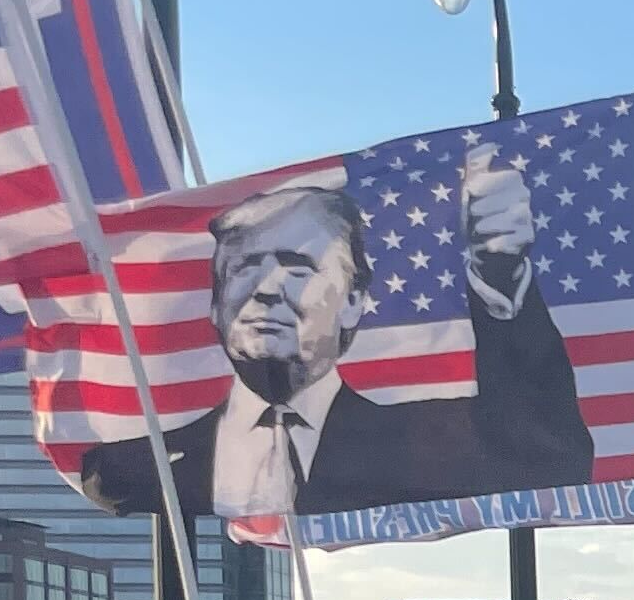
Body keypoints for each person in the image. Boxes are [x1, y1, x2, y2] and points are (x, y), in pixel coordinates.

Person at [72, 162, 596, 526]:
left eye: (298, 268)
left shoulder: (414, 442)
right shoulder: (139, 466)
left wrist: (499, 273)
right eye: (247, 268)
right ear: (216, 304)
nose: (267, 288)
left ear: (353, 301)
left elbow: (544, 454)